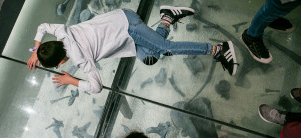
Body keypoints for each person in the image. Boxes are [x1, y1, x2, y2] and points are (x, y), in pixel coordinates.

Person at [27, 5, 238, 94]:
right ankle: (167, 18)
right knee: (149, 58)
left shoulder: (81, 60)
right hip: (122, 24)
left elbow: (96, 87)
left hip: (129, 28)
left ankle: (218, 49)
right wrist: (36, 49)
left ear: (62, 62)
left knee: (165, 48)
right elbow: (42, 27)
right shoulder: (61, 32)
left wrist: (70, 80)